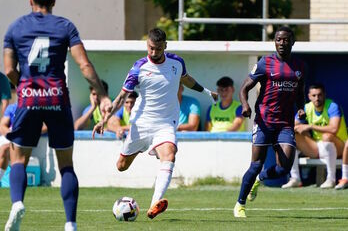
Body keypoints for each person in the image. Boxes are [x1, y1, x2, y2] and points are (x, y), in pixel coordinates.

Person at [3, 0, 111, 230]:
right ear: (53, 1)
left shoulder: (15, 28)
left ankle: (17, 203)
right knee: (66, 165)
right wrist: (102, 96)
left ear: (30, 0)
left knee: (18, 159)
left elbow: (10, 70)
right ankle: (70, 223)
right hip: (57, 98)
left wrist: (24, 85)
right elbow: (84, 64)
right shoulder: (65, 26)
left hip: (28, 98)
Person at [93, 28, 218, 219]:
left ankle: (154, 204)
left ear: (165, 46)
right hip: (141, 124)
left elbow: (187, 79)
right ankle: (148, 149)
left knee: (170, 154)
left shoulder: (177, 62)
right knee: (121, 166)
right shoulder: (138, 68)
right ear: (147, 45)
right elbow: (121, 97)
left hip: (165, 124)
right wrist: (104, 120)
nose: (154, 53)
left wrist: (207, 92)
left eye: (158, 49)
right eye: (151, 48)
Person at [233, 26, 306, 218]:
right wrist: (245, 106)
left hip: (285, 124)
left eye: (285, 40)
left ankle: (261, 179)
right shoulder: (265, 62)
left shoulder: (299, 66)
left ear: (292, 42)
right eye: (278, 40)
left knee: (284, 168)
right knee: (256, 164)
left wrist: (301, 108)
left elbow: (300, 93)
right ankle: (240, 204)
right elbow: (244, 88)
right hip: (264, 121)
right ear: (275, 42)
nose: (282, 43)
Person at [282, 83, 347, 189]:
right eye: (314, 95)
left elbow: (333, 129)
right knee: (290, 136)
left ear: (324, 95)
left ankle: (331, 179)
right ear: (309, 96)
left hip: (341, 148)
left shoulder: (332, 106)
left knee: (327, 137)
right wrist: (301, 129)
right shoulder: (306, 108)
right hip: (318, 147)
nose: (317, 98)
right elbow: (292, 126)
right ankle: (295, 178)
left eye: (320, 95)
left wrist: (309, 126)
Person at [0, 103, 47, 183]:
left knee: (4, 149)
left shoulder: (38, 107)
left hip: (25, 141)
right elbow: (2, 126)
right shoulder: (12, 107)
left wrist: (28, 133)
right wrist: (11, 134)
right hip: (10, 137)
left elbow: (46, 126)